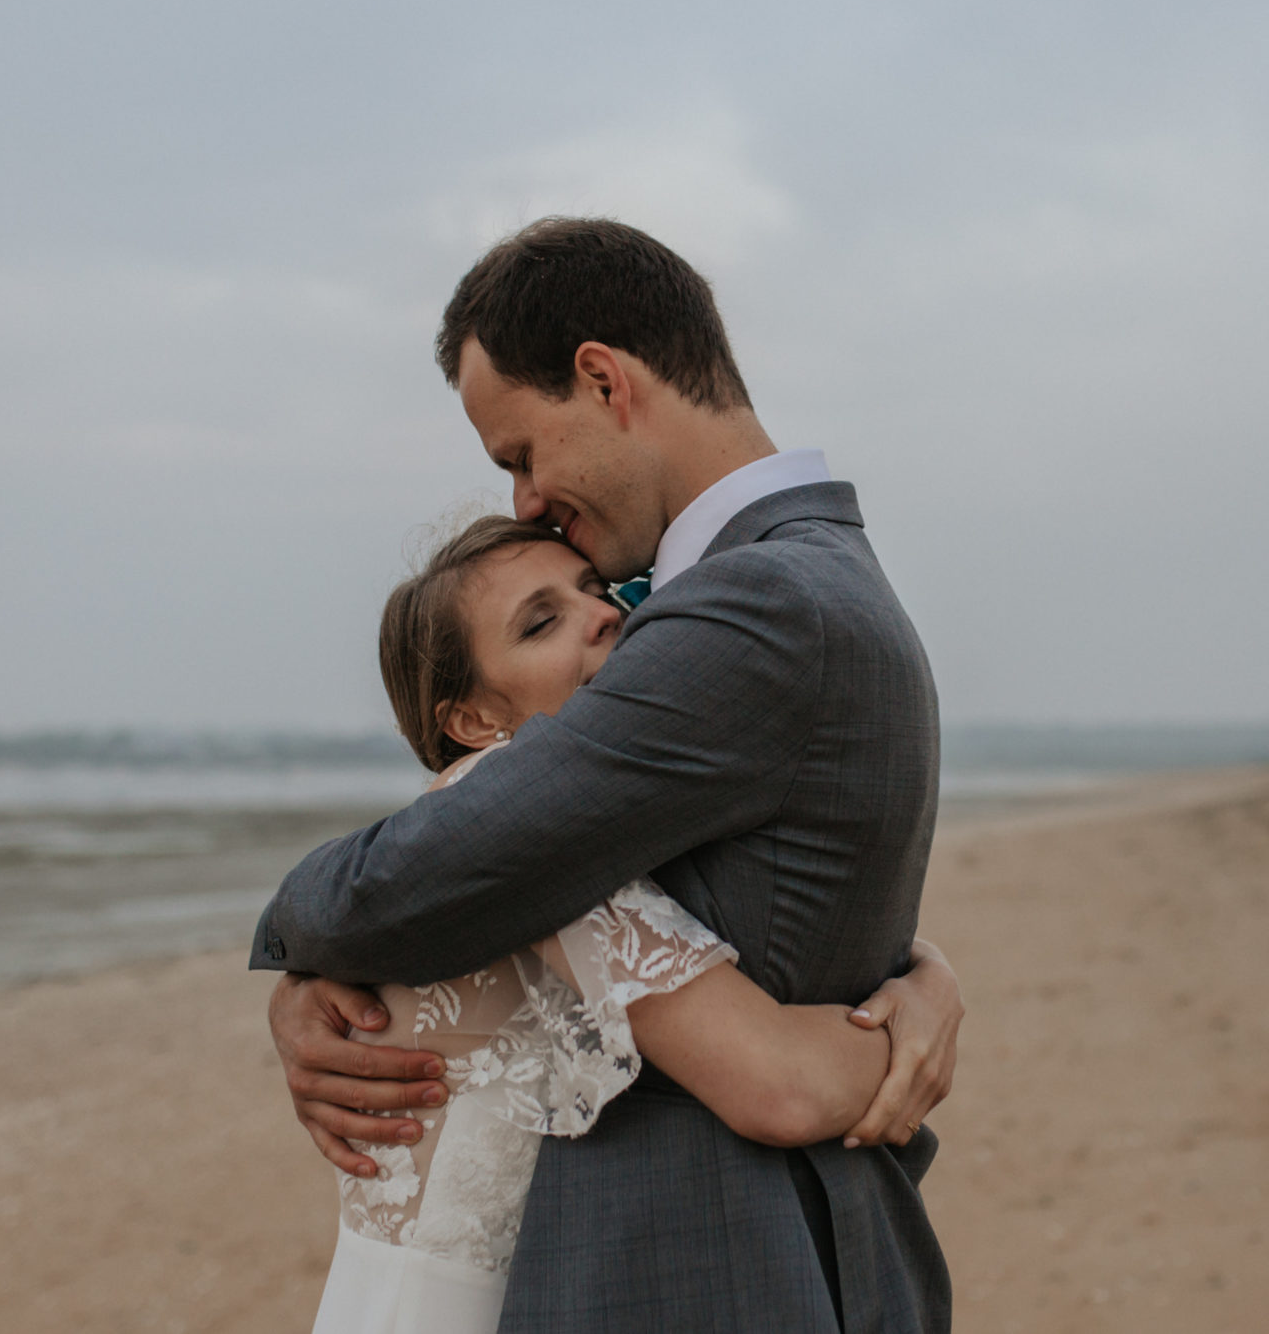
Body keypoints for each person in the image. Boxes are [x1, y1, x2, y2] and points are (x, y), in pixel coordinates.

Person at [255, 217, 955, 1331]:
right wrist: (918, 976)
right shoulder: (800, 583)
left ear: (600, 378)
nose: (525, 499)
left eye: (520, 454)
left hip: (710, 1270)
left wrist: (298, 939)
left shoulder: (752, 606)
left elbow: (468, 857)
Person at [309, 514, 961, 1332]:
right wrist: (925, 1012)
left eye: (596, 589)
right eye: (541, 622)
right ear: (471, 720)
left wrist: (928, 965)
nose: (606, 613)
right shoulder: (519, 820)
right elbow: (780, 1086)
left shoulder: (476, 833)